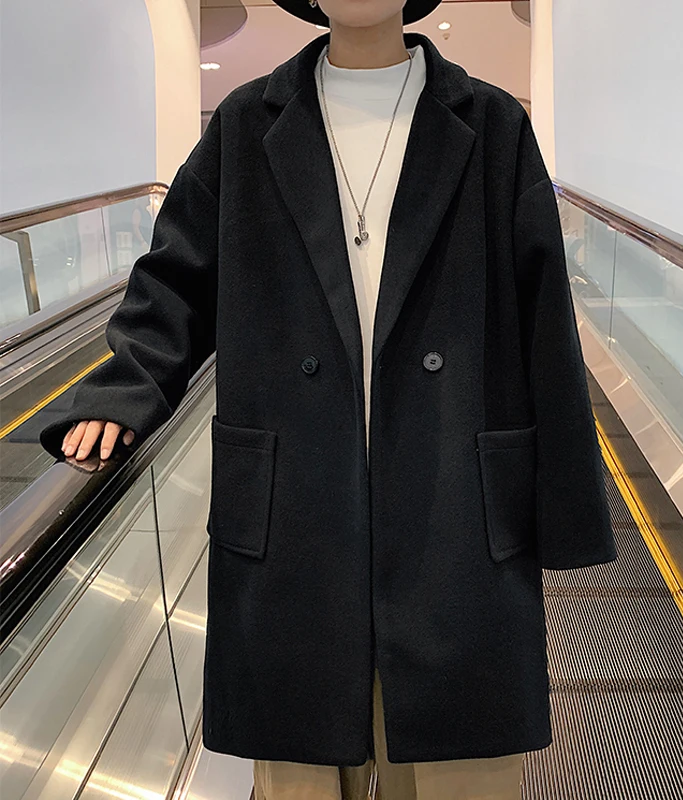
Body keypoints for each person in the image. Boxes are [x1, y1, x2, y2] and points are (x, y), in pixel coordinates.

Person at [39, 0, 618, 796]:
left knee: (462, 770)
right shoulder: (245, 124)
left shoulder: (491, 125)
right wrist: (126, 386)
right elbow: (175, 276)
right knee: (301, 770)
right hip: (294, 521)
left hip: (453, 513)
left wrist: (567, 510)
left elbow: (545, 319)